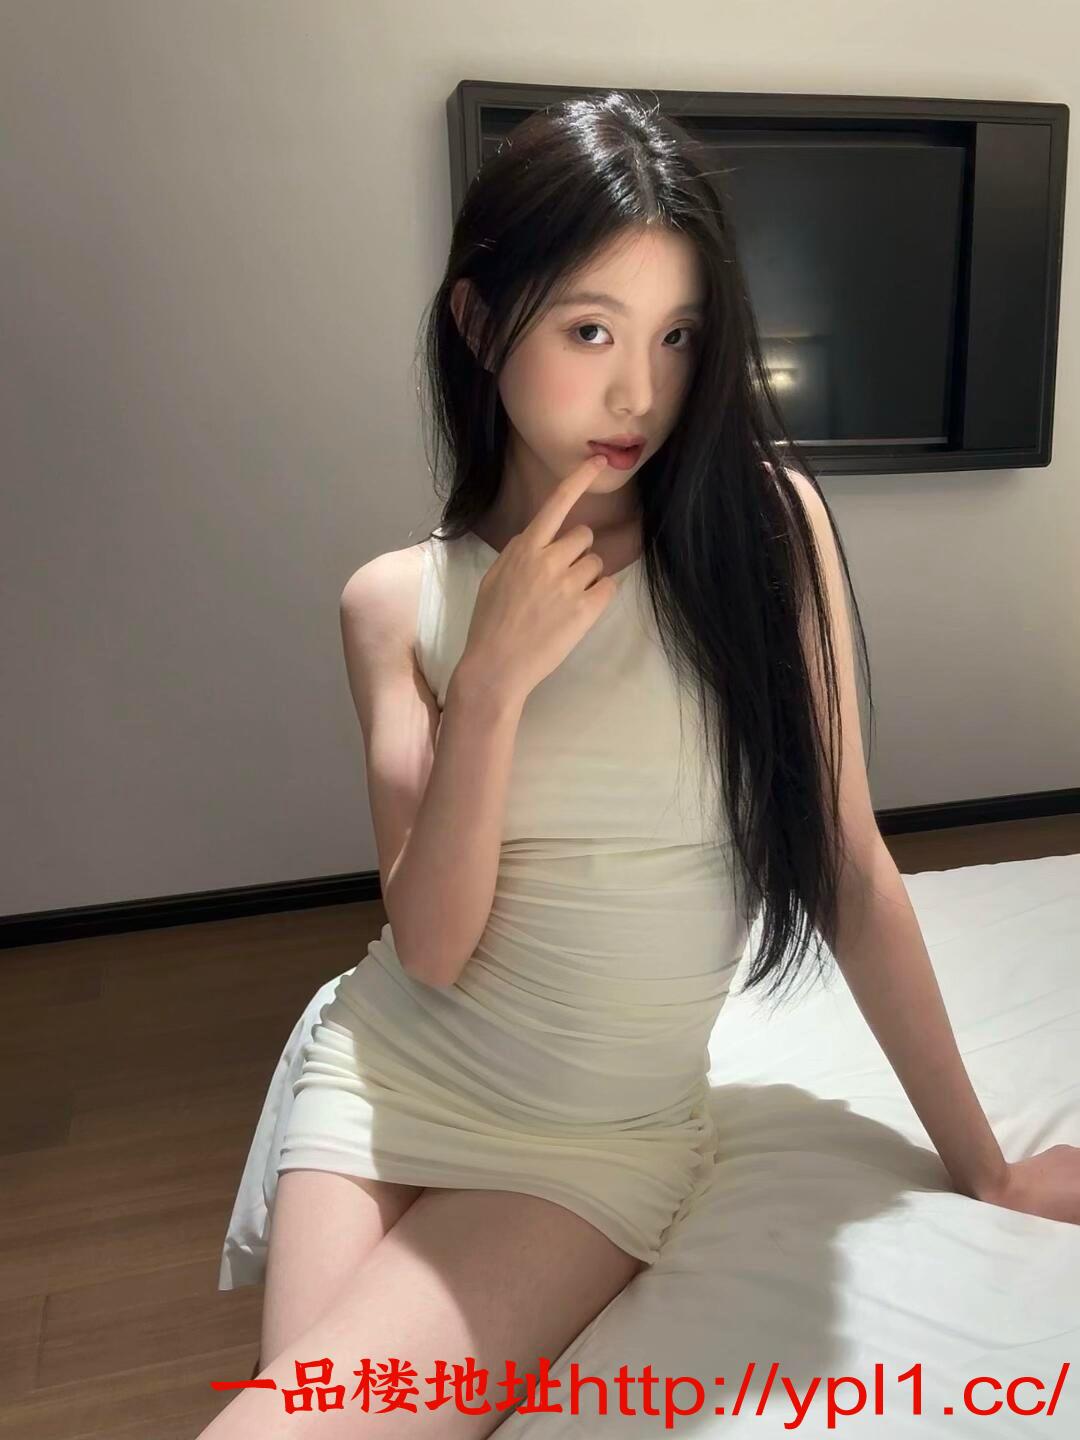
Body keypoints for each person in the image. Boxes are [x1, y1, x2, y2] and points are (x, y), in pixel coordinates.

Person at [198, 91, 876, 1438]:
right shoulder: (395, 601)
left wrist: (991, 1167)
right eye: (589, 331)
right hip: (389, 1072)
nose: (641, 394)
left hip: (590, 1140)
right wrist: (494, 681)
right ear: (477, 323)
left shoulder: (766, 537)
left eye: (678, 336)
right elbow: (433, 946)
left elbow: (851, 863)